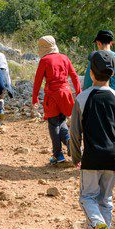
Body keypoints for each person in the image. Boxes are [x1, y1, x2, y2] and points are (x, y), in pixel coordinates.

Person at [69, 51, 115, 229]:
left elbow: (75, 132)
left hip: (92, 158)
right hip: (113, 158)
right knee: (106, 199)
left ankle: (98, 225)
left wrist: (76, 156)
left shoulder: (82, 98)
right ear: (111, 75)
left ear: (91, 74)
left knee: (87, 197)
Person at [32, 35, 82, 165]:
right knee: (62, 120)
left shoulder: (44, 61)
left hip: (52, 95)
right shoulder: (64, 58)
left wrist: (34, 98)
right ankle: (68, 141)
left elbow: (37, 81)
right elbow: (74, 77)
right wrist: (79, 93)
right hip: (66, 94)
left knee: (54, 124)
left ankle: (58, 155)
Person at [81, 30, 115, 104]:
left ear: (98, 43)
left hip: (98, 93)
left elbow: (88, 79)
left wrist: (85, 93)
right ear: (111, 43)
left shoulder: (94, 57)